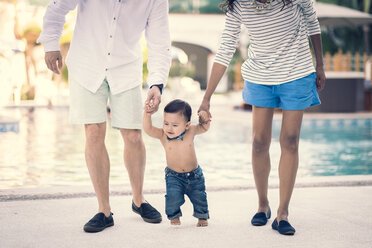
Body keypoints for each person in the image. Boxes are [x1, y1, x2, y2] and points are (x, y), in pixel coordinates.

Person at [37, 0, 172, 232]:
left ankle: (138, 200)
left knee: (132, 135)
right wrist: (50, 43)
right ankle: (104, 210)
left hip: (126, 67)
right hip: (86, 65)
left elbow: (160, 42)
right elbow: (57, 7)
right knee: (93, 132)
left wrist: (157, 83)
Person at [199, 0, 326, 235]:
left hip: (296, 72)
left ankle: (283, 213)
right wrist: (207, 98)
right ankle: (262, 204)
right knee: (259, 142)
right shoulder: (239, 5)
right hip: (259, 75)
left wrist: (320, 64)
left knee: (290, 140)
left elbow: (312, 21)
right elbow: (226, 46)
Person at [143, 99, 210, 227]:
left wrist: (205, 117)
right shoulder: (163, 135)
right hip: (173, 176)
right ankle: (174, 216)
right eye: (166, 123)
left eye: (174, 125)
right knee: (172, 198)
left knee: (200, 197)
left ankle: (202, 217)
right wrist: (147, 113)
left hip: (194, 176)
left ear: (187, 125)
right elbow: (148, 129)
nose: (169, 128)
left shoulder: (191, 131)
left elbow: (204, 128)